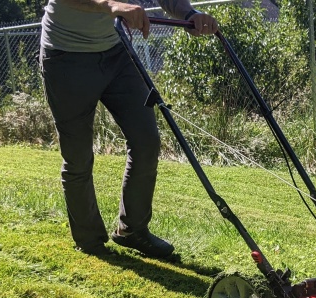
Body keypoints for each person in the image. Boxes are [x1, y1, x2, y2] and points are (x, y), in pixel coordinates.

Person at [40, 0, 219, 257]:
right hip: (66, 55)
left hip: (117, 52)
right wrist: (113, 6)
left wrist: (190, 14)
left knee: (146, 140)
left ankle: (133, 230)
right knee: (78, 155)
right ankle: (89, 241)